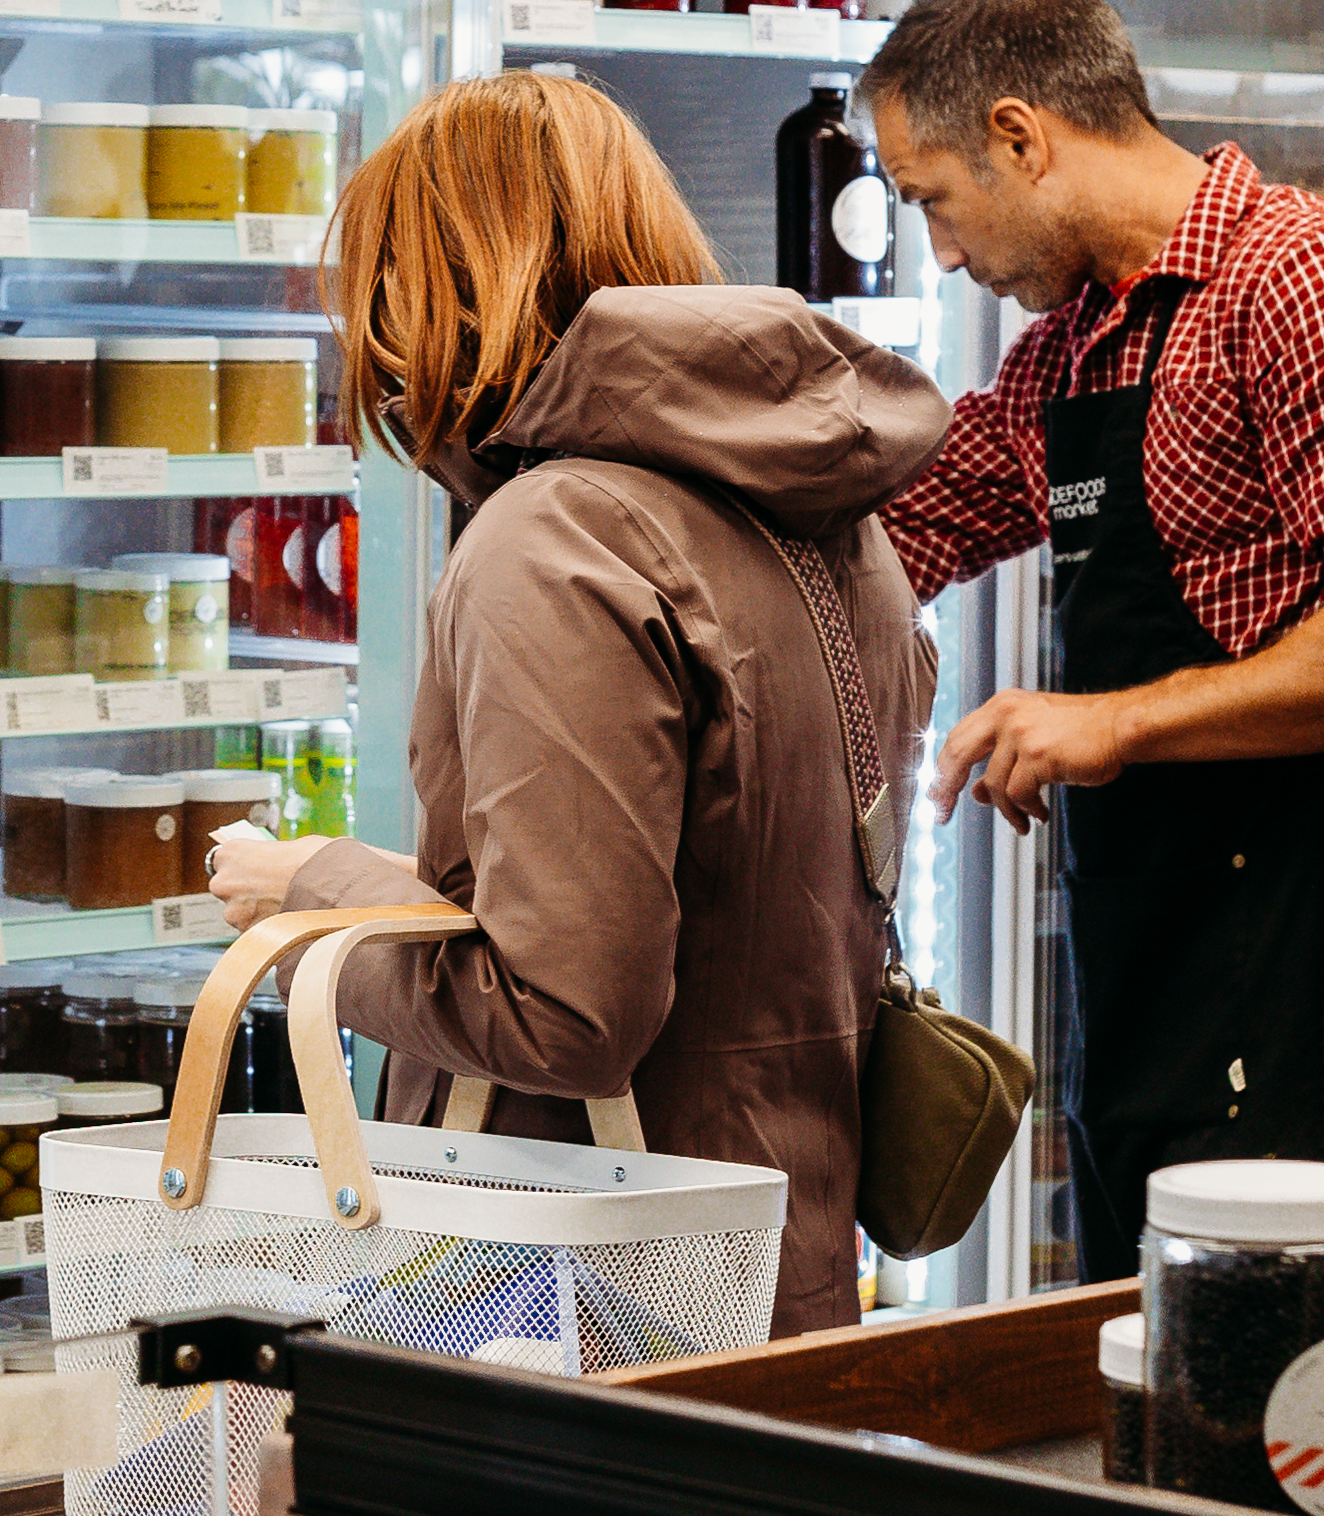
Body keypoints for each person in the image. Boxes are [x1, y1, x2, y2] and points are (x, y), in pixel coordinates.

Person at [200, 72, 936, 1334]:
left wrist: (309, 891)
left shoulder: (553, 538)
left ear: (432, 292)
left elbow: (562, 1010)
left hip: (577, 1295)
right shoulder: (834, 520)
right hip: (773, 1248)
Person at [864, 0, 1324, 1278]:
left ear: (1021, 134)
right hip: (1161, 973)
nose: (941, 250)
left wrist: (1112, 720)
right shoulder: (1079, 347)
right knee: (1162, 1389)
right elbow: (907, 525)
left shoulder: (1308, 279)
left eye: (933, 200)